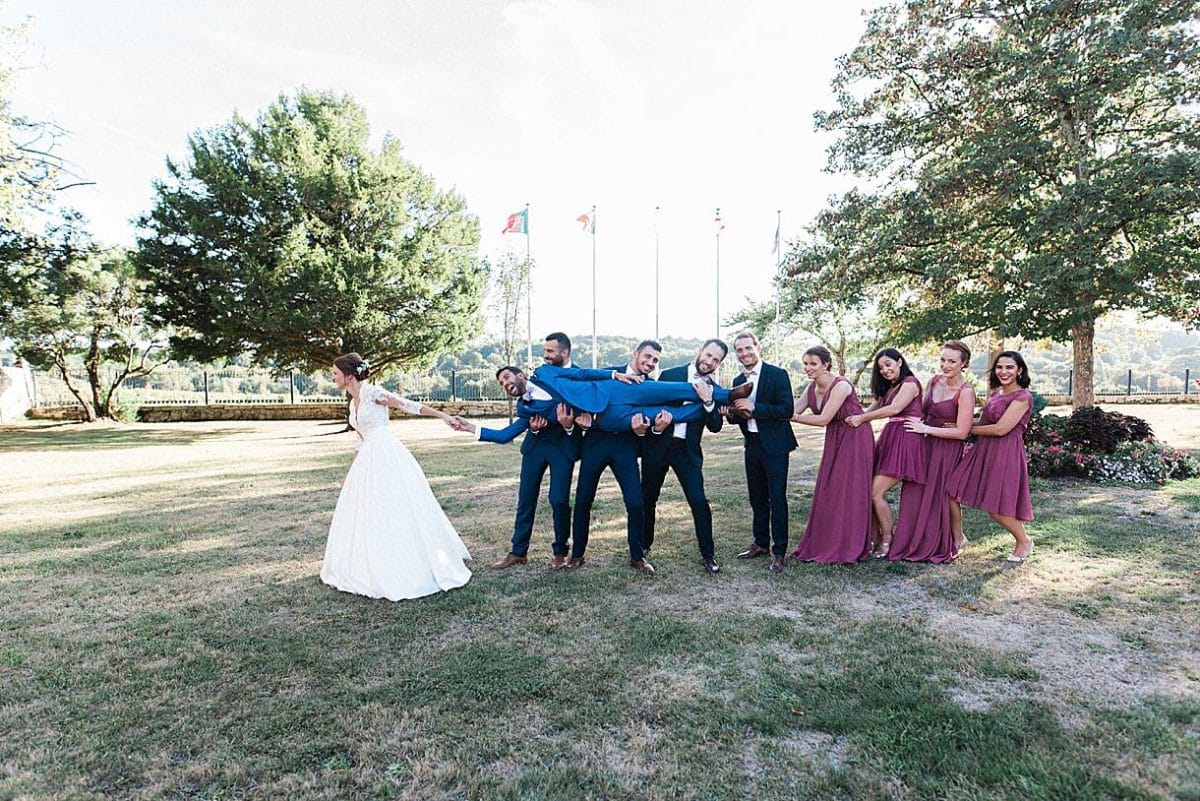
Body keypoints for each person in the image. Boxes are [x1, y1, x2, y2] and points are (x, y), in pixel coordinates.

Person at [320, 353, 472, 601]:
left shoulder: (372, 393)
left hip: (387, 455)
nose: (332, 377)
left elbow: (408, 404)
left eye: (335, 373)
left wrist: (443, 416)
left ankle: (408, 563)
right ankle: (371, 562)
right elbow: (361, 440)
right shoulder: (352, 403)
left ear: (348, 375)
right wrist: (350, 472)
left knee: (395, 506)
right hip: (367, 460)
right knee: (369, 511)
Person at [448, 332, 583, 570]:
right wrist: (468, 427)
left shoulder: (570, 377)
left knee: (559, 500)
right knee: (525, 500)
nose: (505, 384)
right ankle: (518, 552)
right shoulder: (524, 404)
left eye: (507, 377)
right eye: (501, 383)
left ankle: (561, 552)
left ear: (521, 375)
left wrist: (569, 425)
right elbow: (504, 435)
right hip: (534, 448)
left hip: (563, 447)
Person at [568, 340, 662, 576]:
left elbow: (651, 423)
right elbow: (578, 394)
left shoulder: (652, 387)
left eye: (655, 360)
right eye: (647, 356)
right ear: (635, 353)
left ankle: (637, 556)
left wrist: (643, 430)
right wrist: (583, 417)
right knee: (583, 500)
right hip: (595, 443)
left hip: (626, 446)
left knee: (636, 503)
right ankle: (577, 554)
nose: (650, 363)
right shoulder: (607, 374)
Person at [641, 338, 728, 573]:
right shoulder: (670, 375)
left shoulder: (716, 390)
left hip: (686, 451)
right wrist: (658, 427)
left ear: (718, 364)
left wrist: (709, 401)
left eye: (715, 360)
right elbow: (650, 405)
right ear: (700, 351)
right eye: (708, 355)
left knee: (699, 501)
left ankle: (708, 554)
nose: (709, 362)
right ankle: (642, 547)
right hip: (658, 444)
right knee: (648, 498)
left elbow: (716, 426)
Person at [946, 350, 1035, 562]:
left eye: (1009, 367)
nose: (1004, 371)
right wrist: (958, 424)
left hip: (1005, 452)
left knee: (997, 508)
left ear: (1019, 370)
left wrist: (965, 430)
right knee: (952, 488)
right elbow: (983, 422)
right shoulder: (996, 394)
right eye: (1000, 367)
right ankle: (958, 538)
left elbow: (1000, 429)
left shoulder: (1023, 397)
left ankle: (1024, 541)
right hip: (984, 450)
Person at [892, 341, 975, 562]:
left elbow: (962, 432)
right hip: (924, 444)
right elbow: (921, 412)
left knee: (944, 494)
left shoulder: (966, 392)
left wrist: (928, 428)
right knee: (915, 490)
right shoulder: (934, 381)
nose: (945, 365)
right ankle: (913, 538)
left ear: (963, 363)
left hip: (946, 448)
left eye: (952, 361)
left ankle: (956, 538)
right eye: (942, 360)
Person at [790, 345, 873, 564]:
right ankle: (826, 540)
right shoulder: (811, 389)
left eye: (813, 364)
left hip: (855, 437)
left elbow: (823, 418)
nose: (808, 368)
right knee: (830, 487)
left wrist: (793, 417)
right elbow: (792, 409)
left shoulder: (841, 385)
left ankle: (850, 544)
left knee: (848, 488)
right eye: (805, 364)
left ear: (826, 364)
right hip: (835, 437)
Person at [728, 331, 797, 572]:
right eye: (739, 350)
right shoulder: (738, 379)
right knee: (757, 498)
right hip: (752, 445)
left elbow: (786, 409)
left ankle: (779, 552)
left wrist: (755, 408)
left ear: (758, 347)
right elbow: (739, 418)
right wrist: (731, 413)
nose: (744, 353)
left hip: (777, 445)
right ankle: (760, 544)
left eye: (748, 348)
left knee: (777, 498)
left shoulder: (777, 374)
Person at [845, 348, 925, 557]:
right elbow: (868, 411)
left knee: (875, 492)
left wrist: (862, 420)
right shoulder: (891, 387)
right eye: (880, 368)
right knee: (868, 491)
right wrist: (847, 418)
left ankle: (888, 538)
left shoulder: (910, 383)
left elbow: (894, 409)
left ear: (899, 362)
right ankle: (874, 537)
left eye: (888, 364)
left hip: (905, 440)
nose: (884, 370)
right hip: (890, 439)